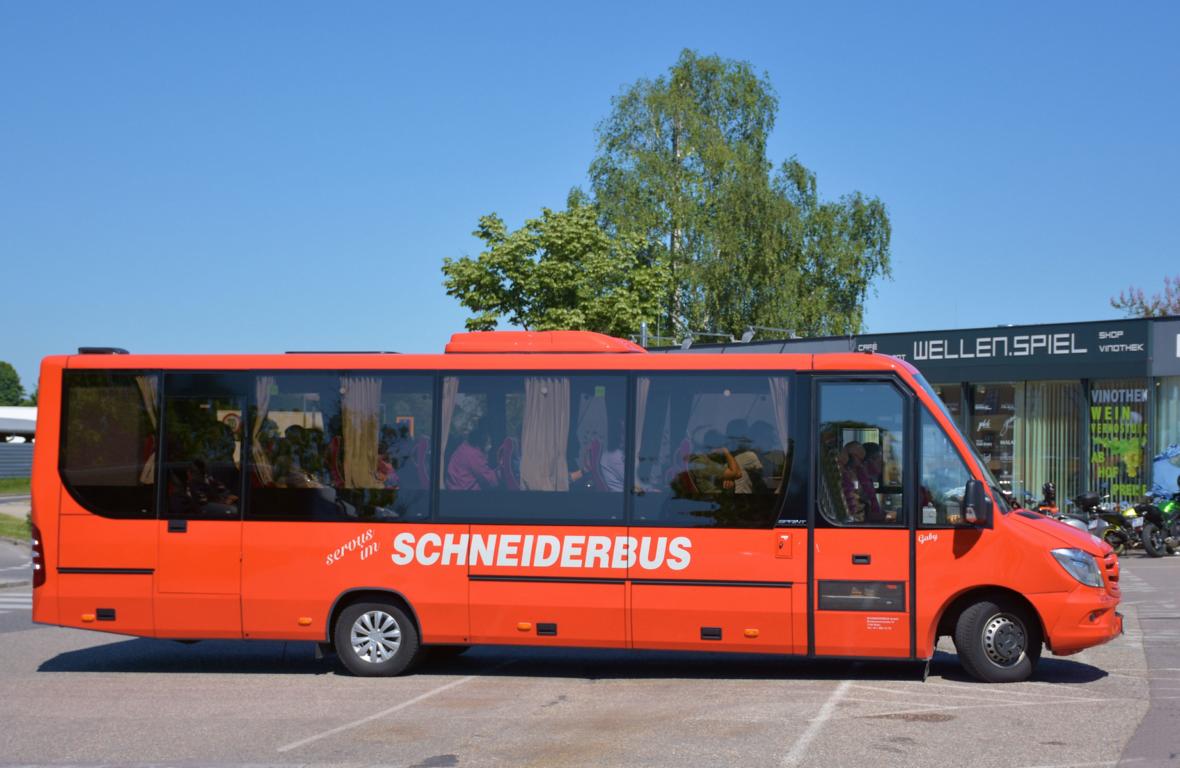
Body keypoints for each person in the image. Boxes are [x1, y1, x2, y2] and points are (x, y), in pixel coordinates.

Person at [446, 421, 499, 491]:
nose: (490, 446)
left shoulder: (463, 447)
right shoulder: (474, 455)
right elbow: (490, 481)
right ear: (481, 440)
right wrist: (499, 473)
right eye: (488, 442)